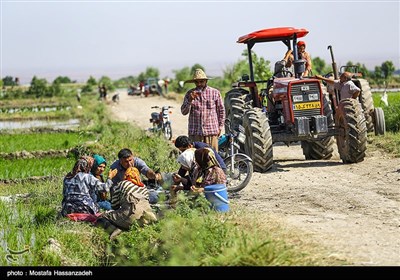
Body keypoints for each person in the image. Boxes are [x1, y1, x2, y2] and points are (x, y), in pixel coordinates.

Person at [96, 166, 157, 240]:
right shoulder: (143, 187)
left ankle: (115, 229)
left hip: (131, 215)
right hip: (146, 218)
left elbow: (114, 205)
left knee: (101, 218)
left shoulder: (122, 184)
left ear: (126, 175)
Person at [181, 68, 225, 152]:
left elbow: (221, 111)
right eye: (197, 82)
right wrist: (190, 100)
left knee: (212, 157)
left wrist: (220, 127)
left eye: (201, 81)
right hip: (195, 132)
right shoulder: (189, 94)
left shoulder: (215, 93)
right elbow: (183, 112)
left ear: (206, 81)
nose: (199, 84)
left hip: (211, 131)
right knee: (196, 159)